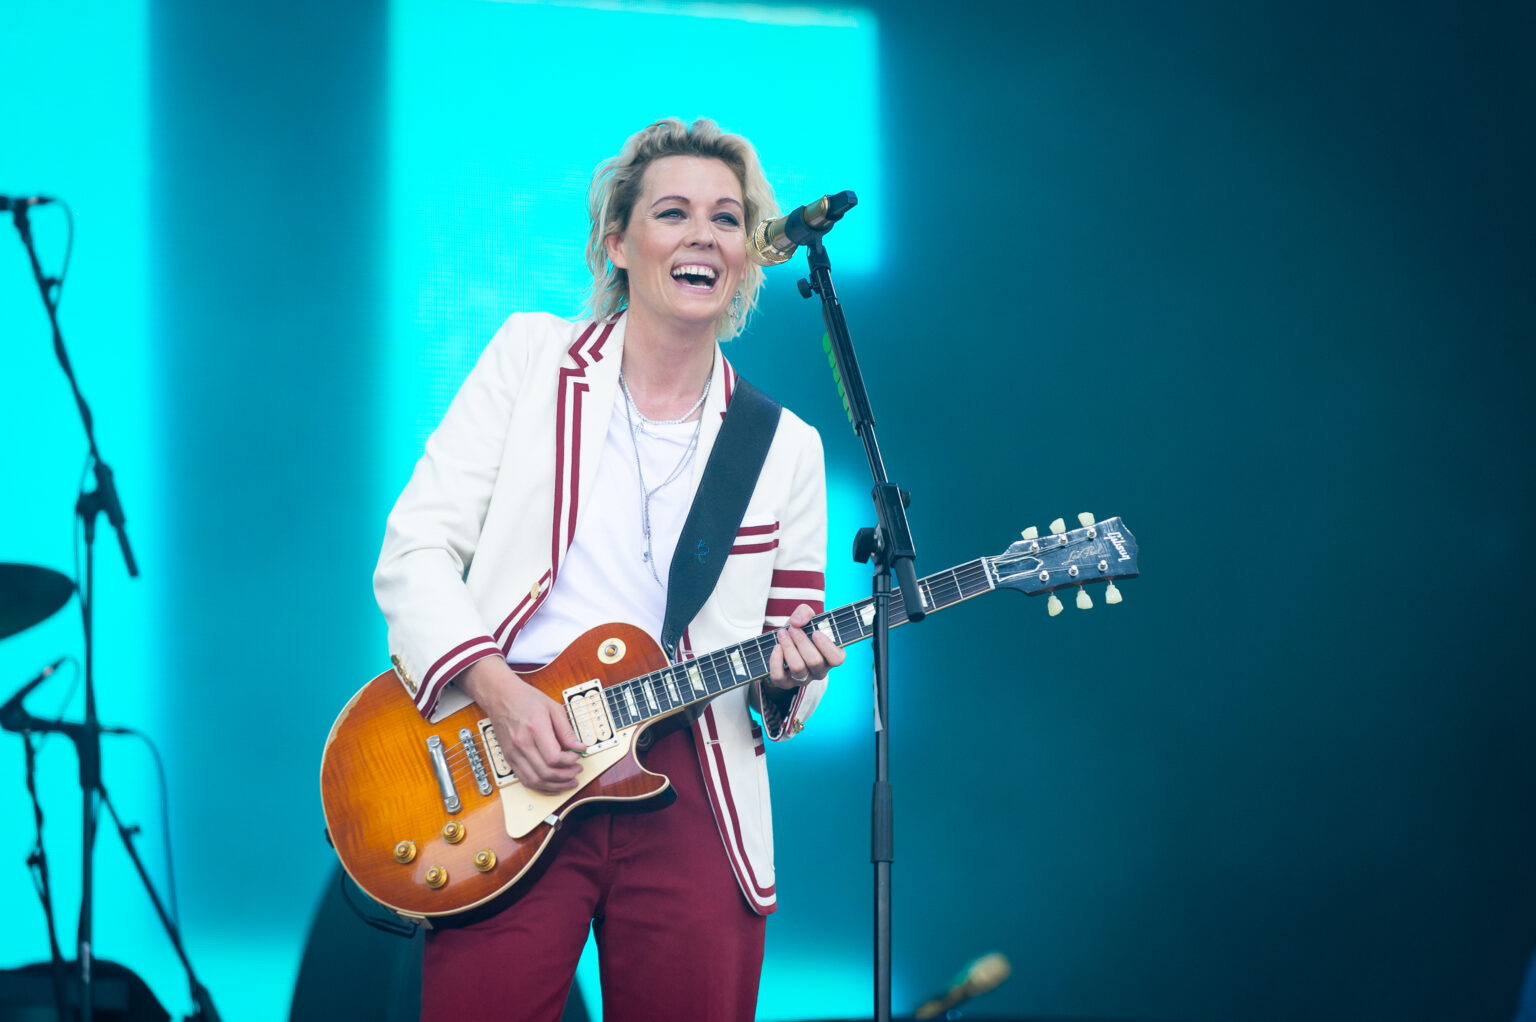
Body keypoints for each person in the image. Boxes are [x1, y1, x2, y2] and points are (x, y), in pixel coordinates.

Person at [373, 117, 845, 1021]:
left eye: (726, 218)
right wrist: (504, 699)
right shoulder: (530, 359)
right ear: (617, 242)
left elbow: (787, 656)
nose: (703, 235)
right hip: (512, 747)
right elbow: (415, 550)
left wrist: (793, 677)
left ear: (749, 255)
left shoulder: (786, 446)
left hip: (692, 776)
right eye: (673, 213)